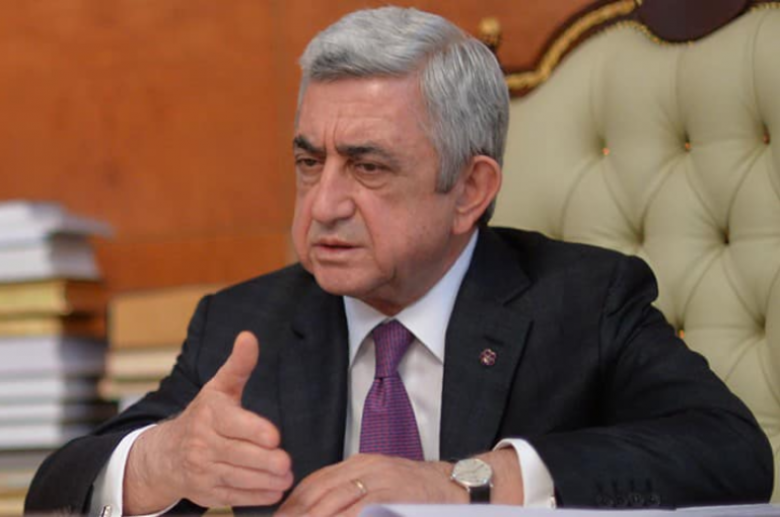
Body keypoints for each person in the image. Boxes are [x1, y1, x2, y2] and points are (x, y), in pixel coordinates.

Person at [26, 6, 772, 517]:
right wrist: (161, 460)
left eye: (368, 167)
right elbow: (55, 488)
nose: (323, 204)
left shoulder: (582, 301)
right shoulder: (247, 324)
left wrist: (468, 483)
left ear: (470, 190)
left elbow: (731, 451)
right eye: (309, 162)